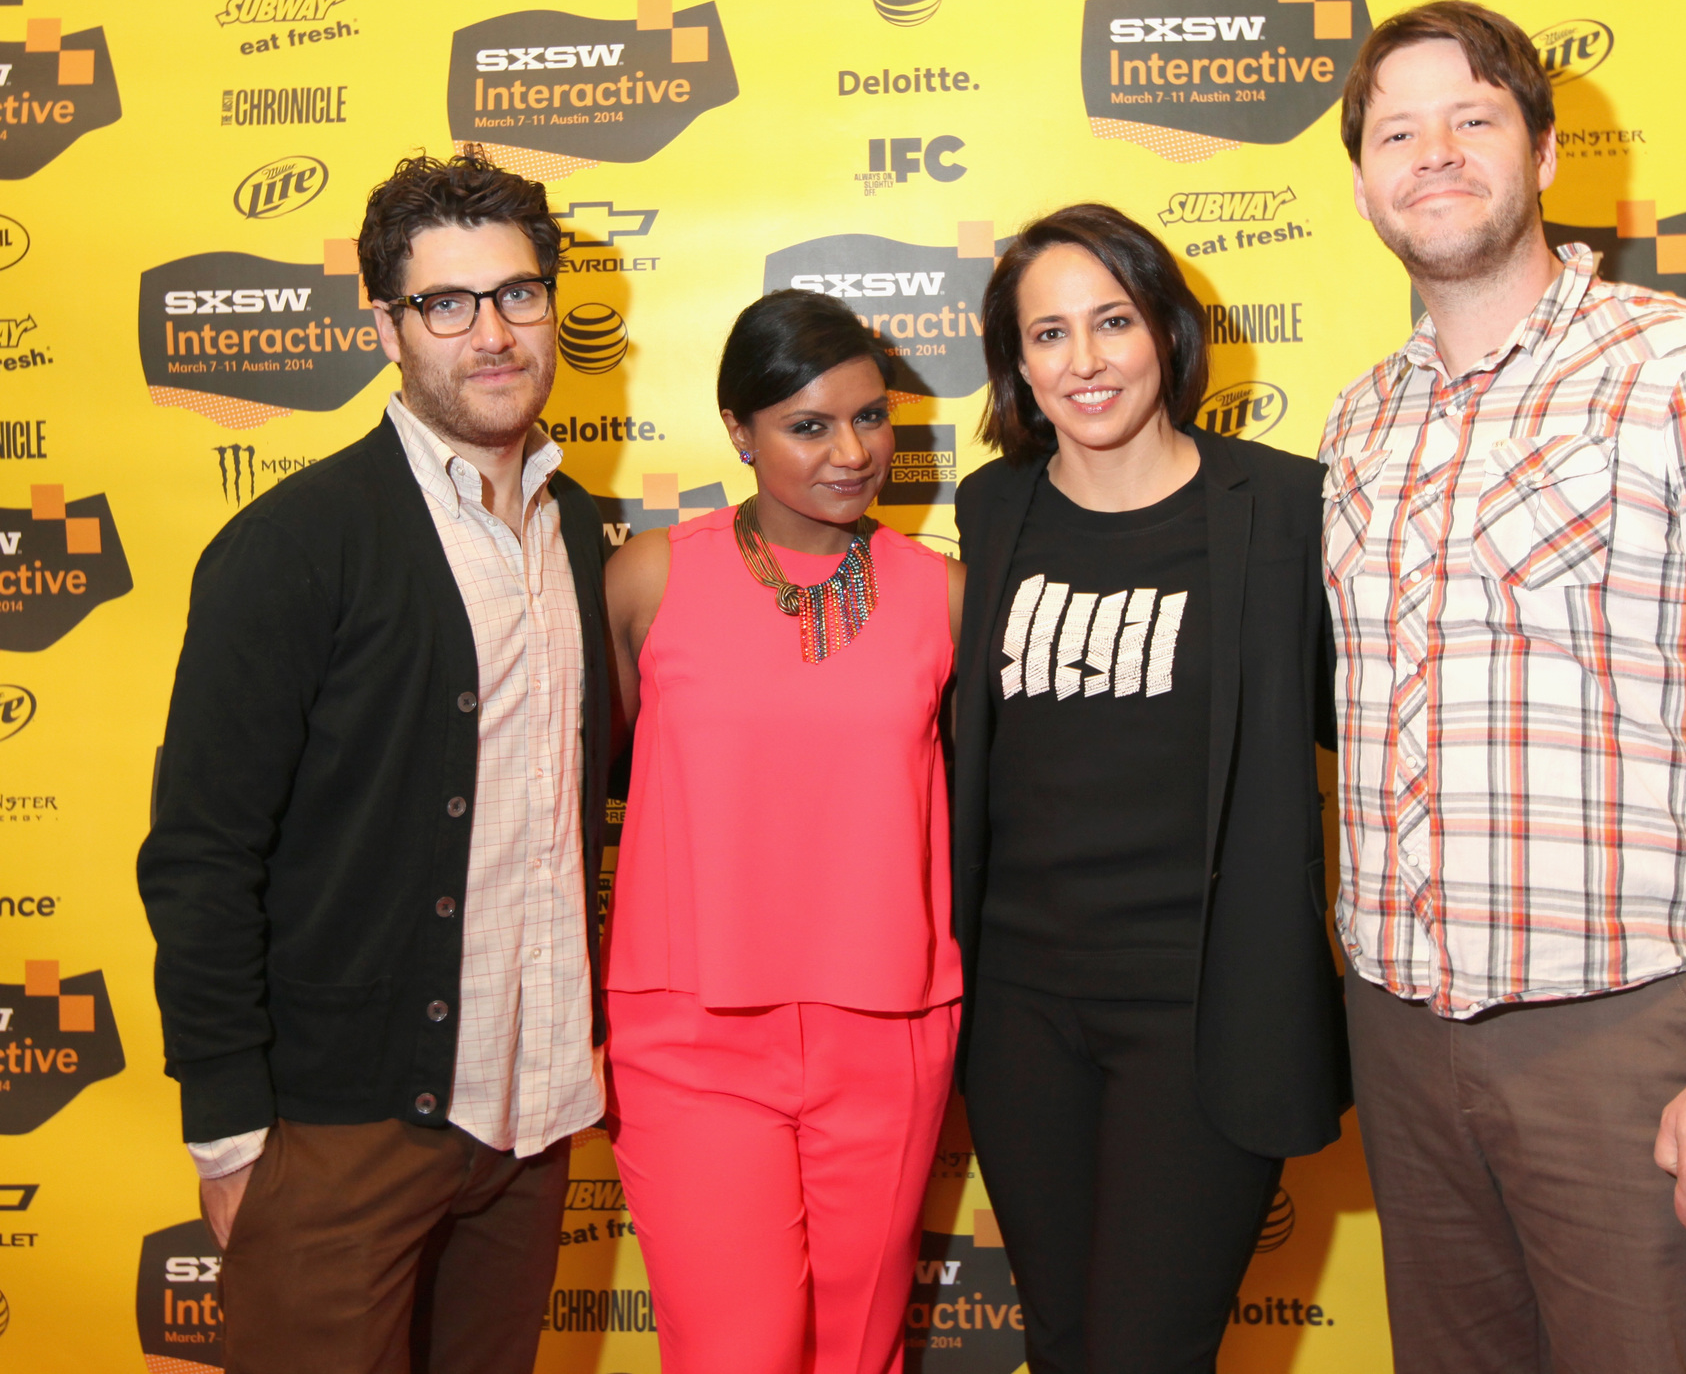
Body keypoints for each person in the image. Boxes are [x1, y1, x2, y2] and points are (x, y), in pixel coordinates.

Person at [1321, 0, 1686, 1373]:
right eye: (1398, 130)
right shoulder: (1361, 419)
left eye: (1473, 117)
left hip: (1633, 1038)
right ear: (1362, 182)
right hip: (1404, 1043)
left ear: (1542, 152)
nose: (1435, 152)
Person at [137, 152, 610, 1373]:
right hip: (337, 1128)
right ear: (387, 325)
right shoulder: (293, 546)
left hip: (534, 1119)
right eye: (446, 303)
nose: (491, 333)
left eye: (516, 293)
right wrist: (229, 1131)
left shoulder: (595, 543)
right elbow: (200, 853)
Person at [951, 203, 1349, 1374]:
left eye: (1112, 321)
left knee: (1145, 1352)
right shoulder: (993, 508)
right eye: (1047, 335)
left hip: (1203, 1012)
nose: (1084, 361)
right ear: (1014, 363)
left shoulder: (1285, 508)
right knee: (1065, 1340)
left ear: (1165, 328)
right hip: (1020, 1007)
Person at [601, 289, 965, 1374]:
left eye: (869, 416)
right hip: (689, 1029)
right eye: (808, 425)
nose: (850, 451)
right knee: (733, 1353)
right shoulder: (650, 576)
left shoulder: (942, 592)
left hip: (890, 1027)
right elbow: (595, 784)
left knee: (859, 1353)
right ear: (739, 432)